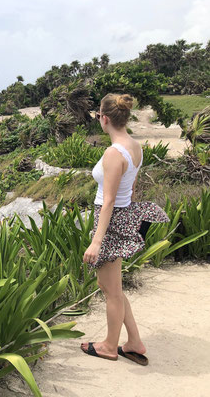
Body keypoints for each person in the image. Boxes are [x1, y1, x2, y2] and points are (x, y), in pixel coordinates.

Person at [80, 93, 169, 366]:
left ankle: (109, 345)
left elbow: (107, 201)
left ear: (104, 119)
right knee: (110, 286)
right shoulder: (134, 146)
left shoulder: (112, 153)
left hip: (108, 220)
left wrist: (96, 242)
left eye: (98, 116)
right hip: (121, 216)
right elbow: (129, 188)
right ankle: (134, 341)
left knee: (111, 290)